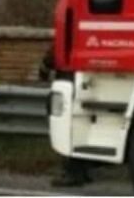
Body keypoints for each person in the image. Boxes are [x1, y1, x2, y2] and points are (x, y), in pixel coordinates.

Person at [38, 46, 95, 188]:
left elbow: (45, 66)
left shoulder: (60, 46)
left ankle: (71, 174)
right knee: (81, 131)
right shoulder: (87, 45)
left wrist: (43, 74)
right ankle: (82, 172)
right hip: (84, 91)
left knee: (65, 133)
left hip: (65, 92)